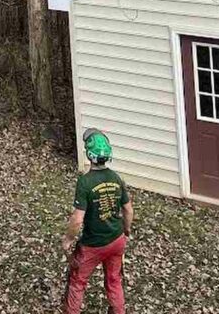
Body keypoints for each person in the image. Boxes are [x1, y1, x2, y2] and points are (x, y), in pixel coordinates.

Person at [61, 129, 133, 314]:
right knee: (114, 280)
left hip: (92, 245)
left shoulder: (85, 182)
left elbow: (77, 219)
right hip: (116, 240)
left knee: (77, 281)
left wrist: (68, 239)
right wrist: (126, 230)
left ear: (89, 155)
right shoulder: (116, 178)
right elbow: (128, 209)